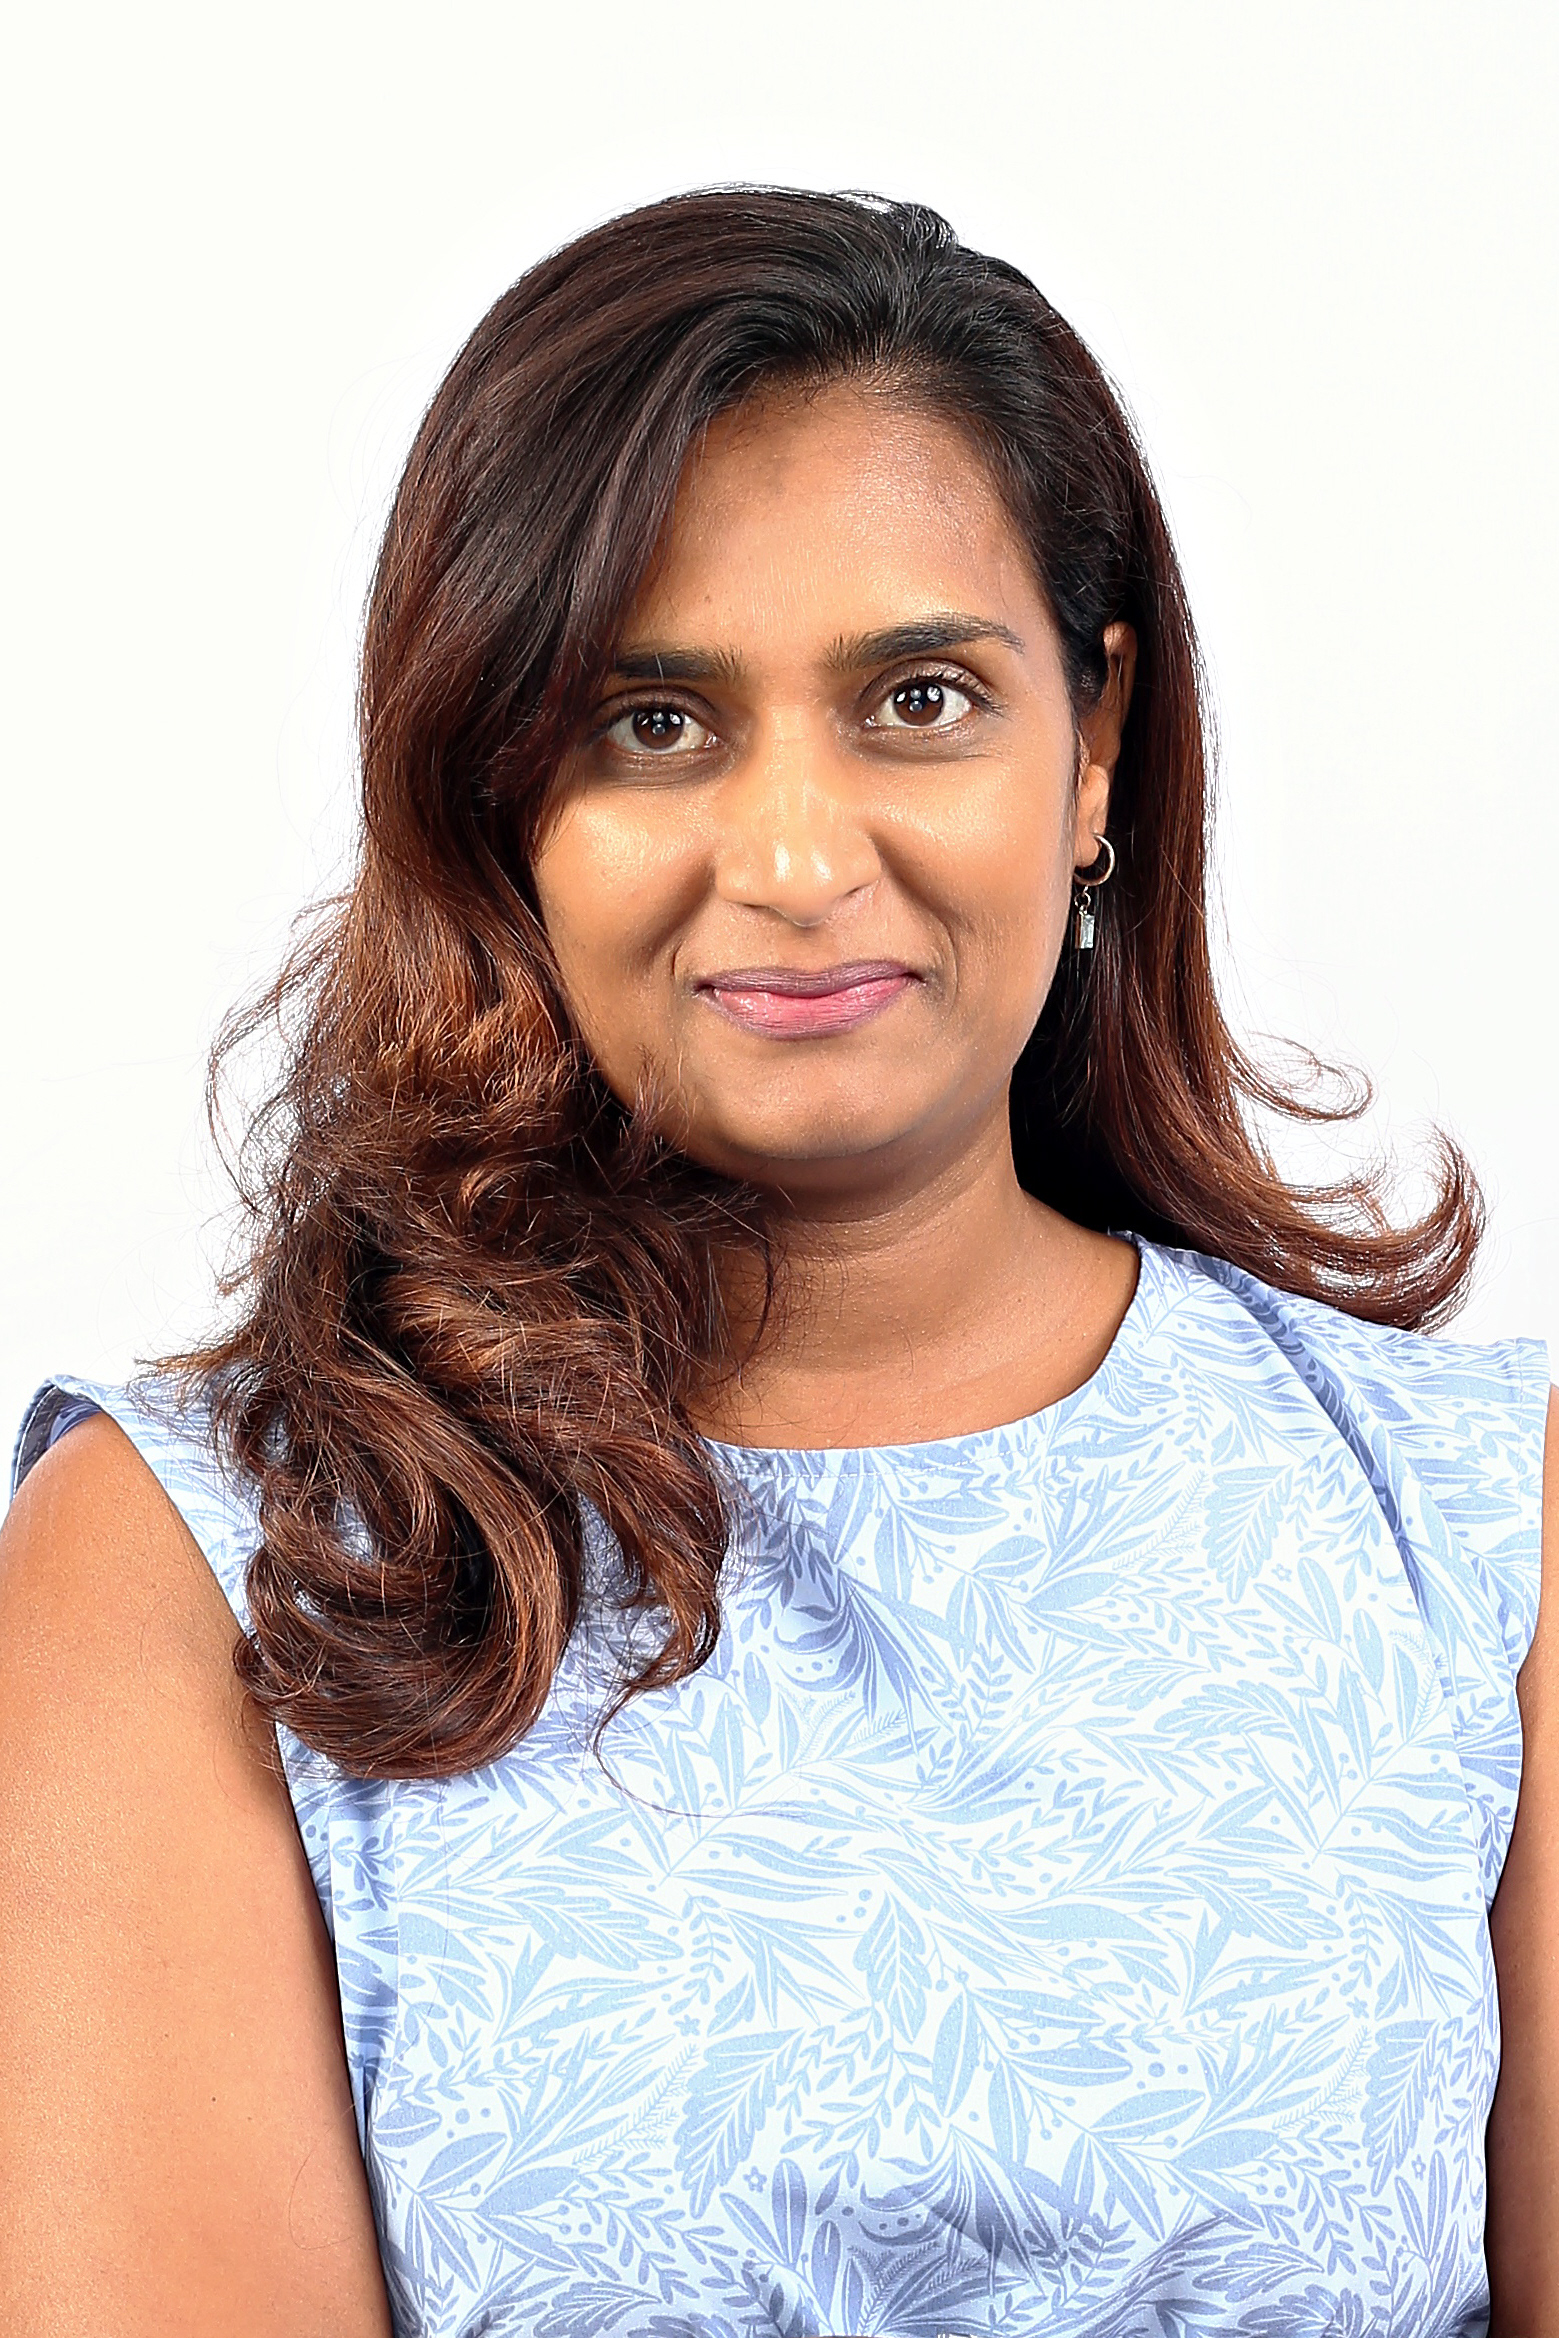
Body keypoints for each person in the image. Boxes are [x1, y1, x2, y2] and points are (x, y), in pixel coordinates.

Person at [1, 187, 1553, 2338]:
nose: (804, 856)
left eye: (920, 695)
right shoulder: (199, 1557)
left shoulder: (1476, 1519)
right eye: (654, 721)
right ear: (492, 788)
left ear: (1096, 738)